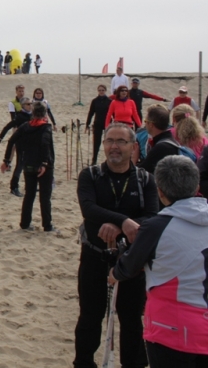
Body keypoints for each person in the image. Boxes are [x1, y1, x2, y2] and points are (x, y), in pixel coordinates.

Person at [108, 156, 208, 366]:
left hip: (172, 327)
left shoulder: (157, 227)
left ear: (160, 192)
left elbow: (129, 266)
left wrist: (115, 272)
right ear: (196, 186)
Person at [73, 123, 158, 368]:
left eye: (121, 141)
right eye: (109, 141)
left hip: (131, 261)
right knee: (90, 316)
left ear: (133, 146)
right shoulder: (90, 175)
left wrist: (120, 228)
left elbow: (152, 216)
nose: (114, 146)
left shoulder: (145, 179)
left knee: (131, 320)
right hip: (94, 256)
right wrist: (123, 221)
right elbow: (88, 208)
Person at [0, 102, 57, 233]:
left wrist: (7, 160)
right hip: (44, 166)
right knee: (44, 197)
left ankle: (25, 224)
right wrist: (44, 163)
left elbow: (11, 140)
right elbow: (45, 143)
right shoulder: (45, 127)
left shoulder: (26, 126)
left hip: (28, 164)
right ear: (44, 114)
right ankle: (47, 226)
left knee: (29, 195)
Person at [0, 97, 33, 197]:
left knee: (30, 166)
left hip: (30, 145)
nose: (30, 106)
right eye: (28, 104)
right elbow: (7, 127)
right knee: (19, 166)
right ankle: (14, 187)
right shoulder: (19, 116)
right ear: (23, 106)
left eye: (31, 104)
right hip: (21, 144)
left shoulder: (33, 115)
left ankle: (29, 186)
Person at [139, 105, 181, 175]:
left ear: (151, 124)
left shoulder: (161, 148)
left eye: (145, 121)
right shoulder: (170, 141)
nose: (145, 124)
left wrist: (133, 159)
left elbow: (142, 171)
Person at [85, 85, 111, 166]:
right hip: (97, 124)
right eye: (100, 90)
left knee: (108, 142)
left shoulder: (109, 101)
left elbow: (113, 113)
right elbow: (91, 113)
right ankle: (94, 160)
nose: (101, 91)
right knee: (96, 143)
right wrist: (87, 124)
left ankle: (109, 159)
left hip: (107, 124)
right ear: (98, 91)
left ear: (105, 90)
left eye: (103, 90)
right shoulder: (95, 101)